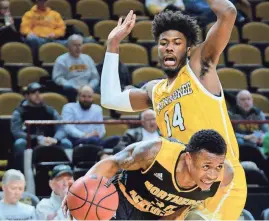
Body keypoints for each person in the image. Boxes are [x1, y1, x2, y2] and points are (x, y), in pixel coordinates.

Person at [100, 6, 246, 220]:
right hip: (183, 187)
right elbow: (110, 99)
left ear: (188, 49)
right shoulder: (155, 91)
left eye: (177, 43)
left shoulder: (198, 70)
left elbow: (228, 13)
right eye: (163, 43)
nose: (169, 48)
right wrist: (112, 44)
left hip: (219, 177)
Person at [64, 129, 233, 220]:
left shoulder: (223, 177)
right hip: (120, 200)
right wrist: (80, 190)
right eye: (206, 166)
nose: (212, 174)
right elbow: (113, 163)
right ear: (188, 159)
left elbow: (181, 207)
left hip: (155, 215)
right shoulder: (154, 153)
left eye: (218, 166)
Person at [11, 82, 72, 172]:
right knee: (19, 143)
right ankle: (23, 173)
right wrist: (37, 139)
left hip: (50, 141)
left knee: (66, 143)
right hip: (31, 141)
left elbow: (61, 128)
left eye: (40, 92)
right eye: (33, 92)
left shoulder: (50, 110)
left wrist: (56, 139)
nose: (37, 95)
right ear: (27, 96)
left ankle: (66, 172)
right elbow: (17, 132)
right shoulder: (19, 112)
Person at [62, 85, 119, 149]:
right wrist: (85, 135)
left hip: (94, 139)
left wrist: (97, 134)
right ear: (78, 97)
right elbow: (68, 127)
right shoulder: (69, 107)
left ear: (92, 98)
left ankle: (100, 145)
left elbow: (101, 129)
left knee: (117, 138)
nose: (86, 99)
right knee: (94, 141)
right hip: (76, 139)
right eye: (84, 96)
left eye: (89, 97)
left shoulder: (97, 109)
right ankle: (101, 145)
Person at [53, 34, 100, 102]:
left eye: (79, 45)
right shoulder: (61, 60)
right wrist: (75, 87)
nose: (78, 48)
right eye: (75, 45)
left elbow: (95, 78)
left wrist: (90, 87)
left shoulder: (88, 59)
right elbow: (58, 78)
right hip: (71, 89)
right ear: (69, 46)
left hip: (88, 87)